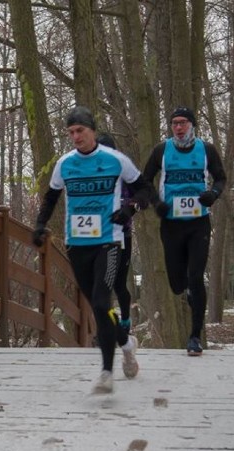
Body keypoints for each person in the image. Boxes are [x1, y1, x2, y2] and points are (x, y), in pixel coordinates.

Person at [32, 105, 153, 394]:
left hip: (108, 242)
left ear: (92, 131)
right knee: (99, 308)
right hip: (78, 244)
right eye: (71, 132)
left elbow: (145, 190)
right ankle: (126, 344)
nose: (75, 137)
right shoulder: (65, 164)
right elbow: (50, 198)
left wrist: (129, 209)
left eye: (80, 131)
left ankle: (106, 373)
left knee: (101, 302)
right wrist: (39, 225)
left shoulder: (115, 160)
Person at [142, 106, 227, 356]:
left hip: (198, 223)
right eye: (174, 123)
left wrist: (213, 194)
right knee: (177, 283)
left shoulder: (206, 150)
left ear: (192, 125)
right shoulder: (161, 151)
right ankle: (186, 289)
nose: (178, 128)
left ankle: (194, 338)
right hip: (171, 224)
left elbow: (221, 178)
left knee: (196, 276)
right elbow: (144, 180)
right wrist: (157, 204)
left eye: (183, 123)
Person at [96, 133, 134, 336]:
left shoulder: (124, 171)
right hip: (97, 237)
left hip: (122, 235)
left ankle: (126, 320)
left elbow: (137, 198)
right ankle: (107, 327)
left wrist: (127, 209)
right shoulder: (91, 172)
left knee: (119, 284)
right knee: (101, 285)